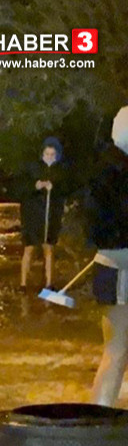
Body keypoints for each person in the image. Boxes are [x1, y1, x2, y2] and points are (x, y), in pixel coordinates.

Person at [87, 107, 128, 406]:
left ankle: (100, 420)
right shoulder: (121, 175)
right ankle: (99, 419)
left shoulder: (103, 169)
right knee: (116, 352)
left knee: (114, 350)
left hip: (107, 264)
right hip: (121, 268)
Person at [19, 137, 69, 289]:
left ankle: (49, 283)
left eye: (52, 155)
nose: (49, 157)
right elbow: (22, 188)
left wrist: (55, 187)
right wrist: (36, 185)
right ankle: (23, 283)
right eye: (47, 154)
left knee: (49, 248)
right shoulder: (33, 168)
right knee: (29, 248)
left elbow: (65, 189)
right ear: (42, 154)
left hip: (51, 216)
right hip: (33, 215)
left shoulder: (60, 171)